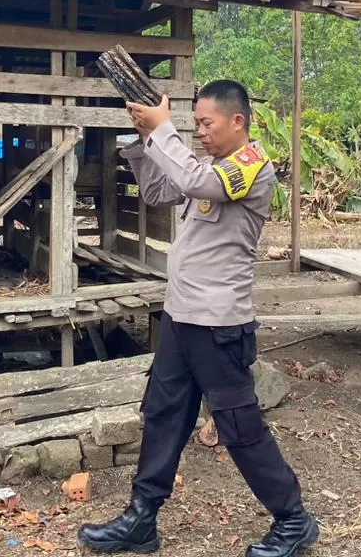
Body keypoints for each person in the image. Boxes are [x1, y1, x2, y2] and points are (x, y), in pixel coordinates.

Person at [77, 80, 318, 557]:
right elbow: (158, 190)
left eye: (207, 124)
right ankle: (141, 519)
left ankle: (293, 521)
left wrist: (163, 129)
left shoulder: (250, 166)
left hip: (218, 322)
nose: (200, 132)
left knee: (237, 423)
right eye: (196, 124)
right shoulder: (209, 166)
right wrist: (145, 139)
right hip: (181, 315)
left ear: (237, 121)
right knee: (162, 414)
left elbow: (193, 183)